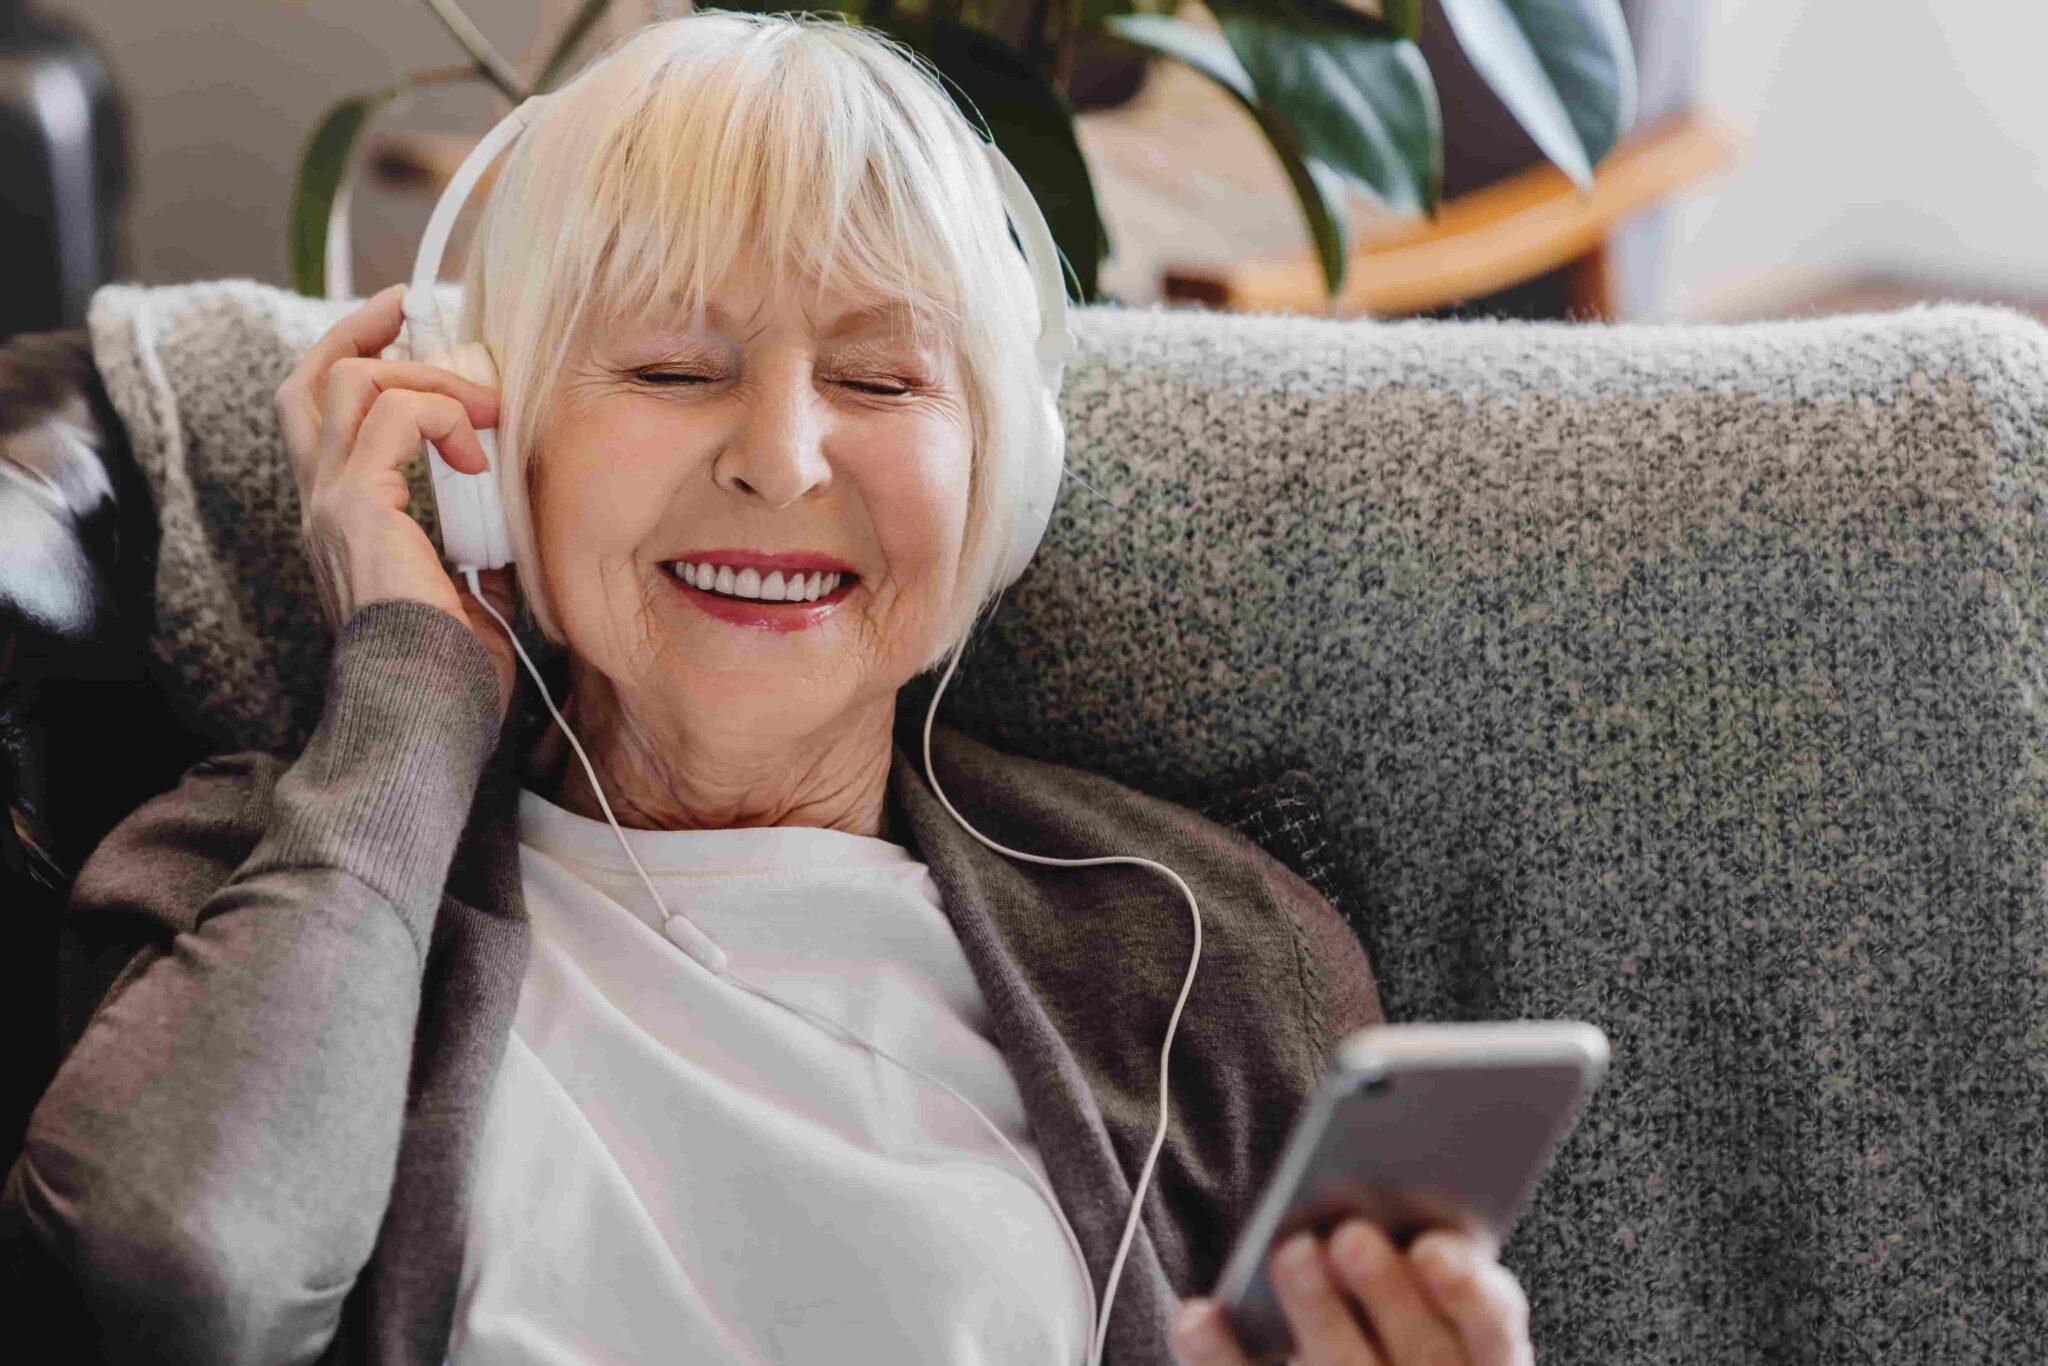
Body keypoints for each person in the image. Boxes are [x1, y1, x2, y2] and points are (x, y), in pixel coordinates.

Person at [1, 11, 1531, 1366]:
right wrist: (411, 679)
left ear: (1005, 479)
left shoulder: (1197, 950)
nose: (781, 457)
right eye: (672, 370)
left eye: (880, 380)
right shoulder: (271, 877)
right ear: (488, 442)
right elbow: (179, 1274)